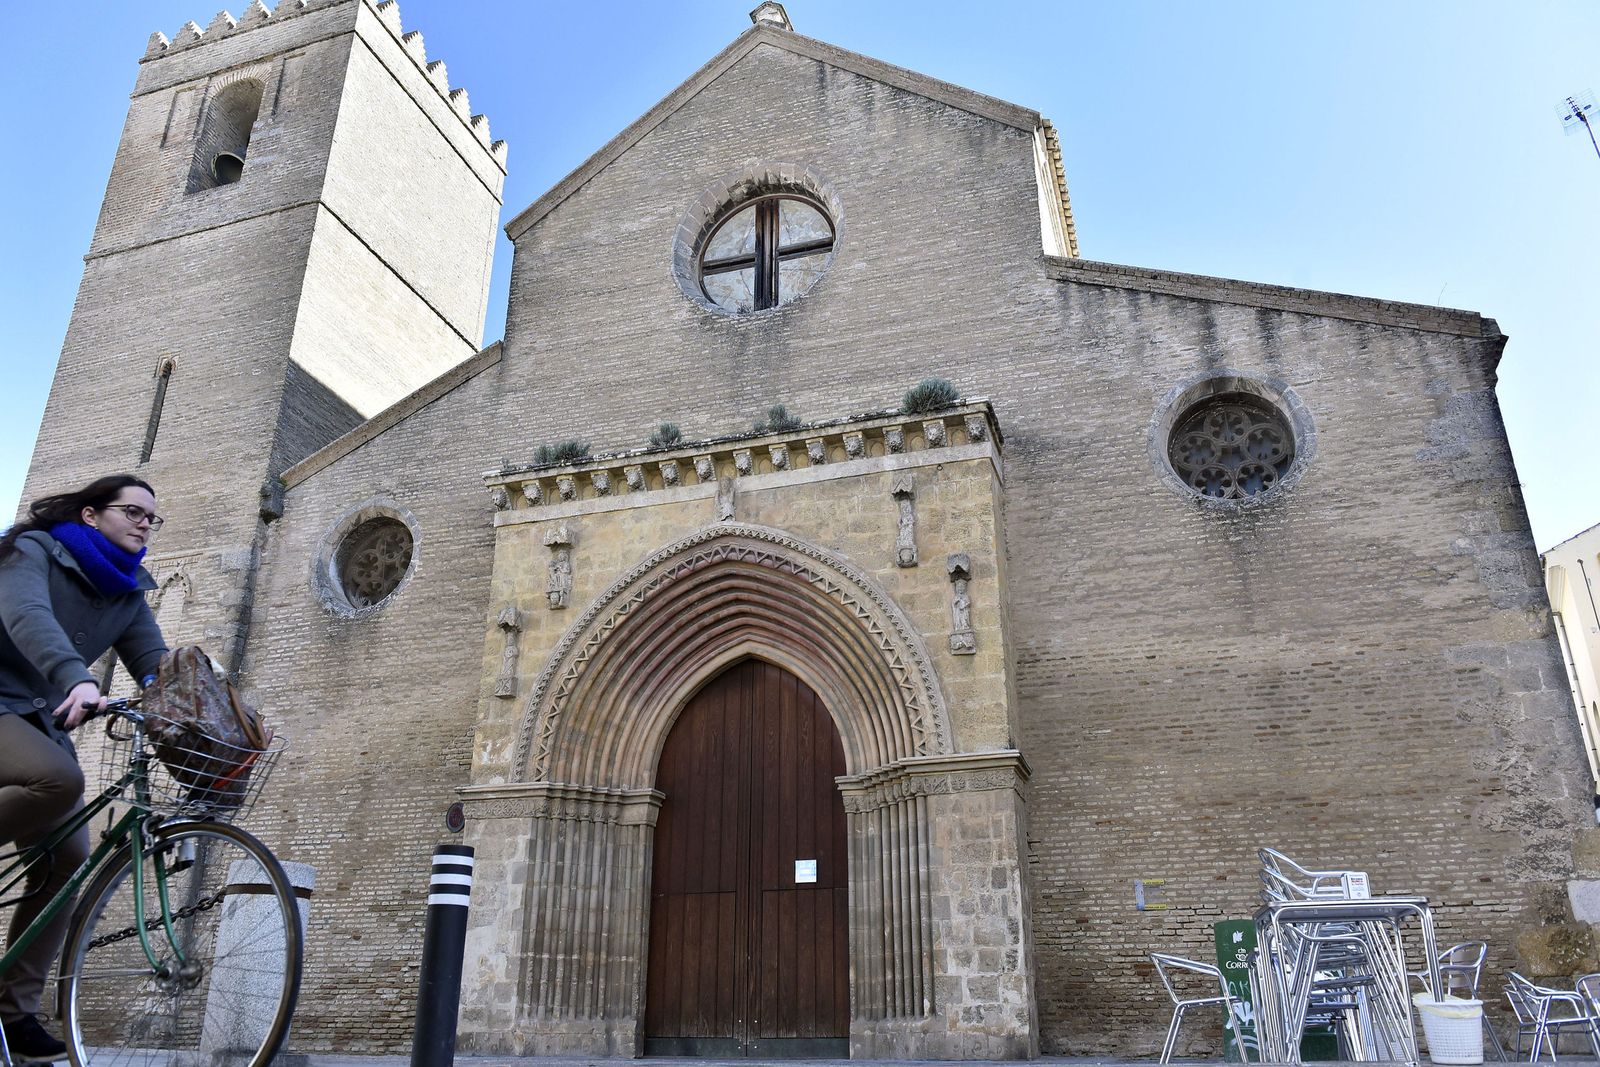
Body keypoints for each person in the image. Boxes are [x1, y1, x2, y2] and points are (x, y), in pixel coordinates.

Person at [0, 474, 168, 1059]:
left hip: (37, 722)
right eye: (134, 511)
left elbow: (157, 663)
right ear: (92, 515)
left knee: (68, 861)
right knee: (59, 779)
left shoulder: (127, 593)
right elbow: (26, 617)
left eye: (153, 517)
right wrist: (75, 676)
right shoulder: (31, 551)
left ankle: (11, 1014)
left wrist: (217, 707)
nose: (146, 521)